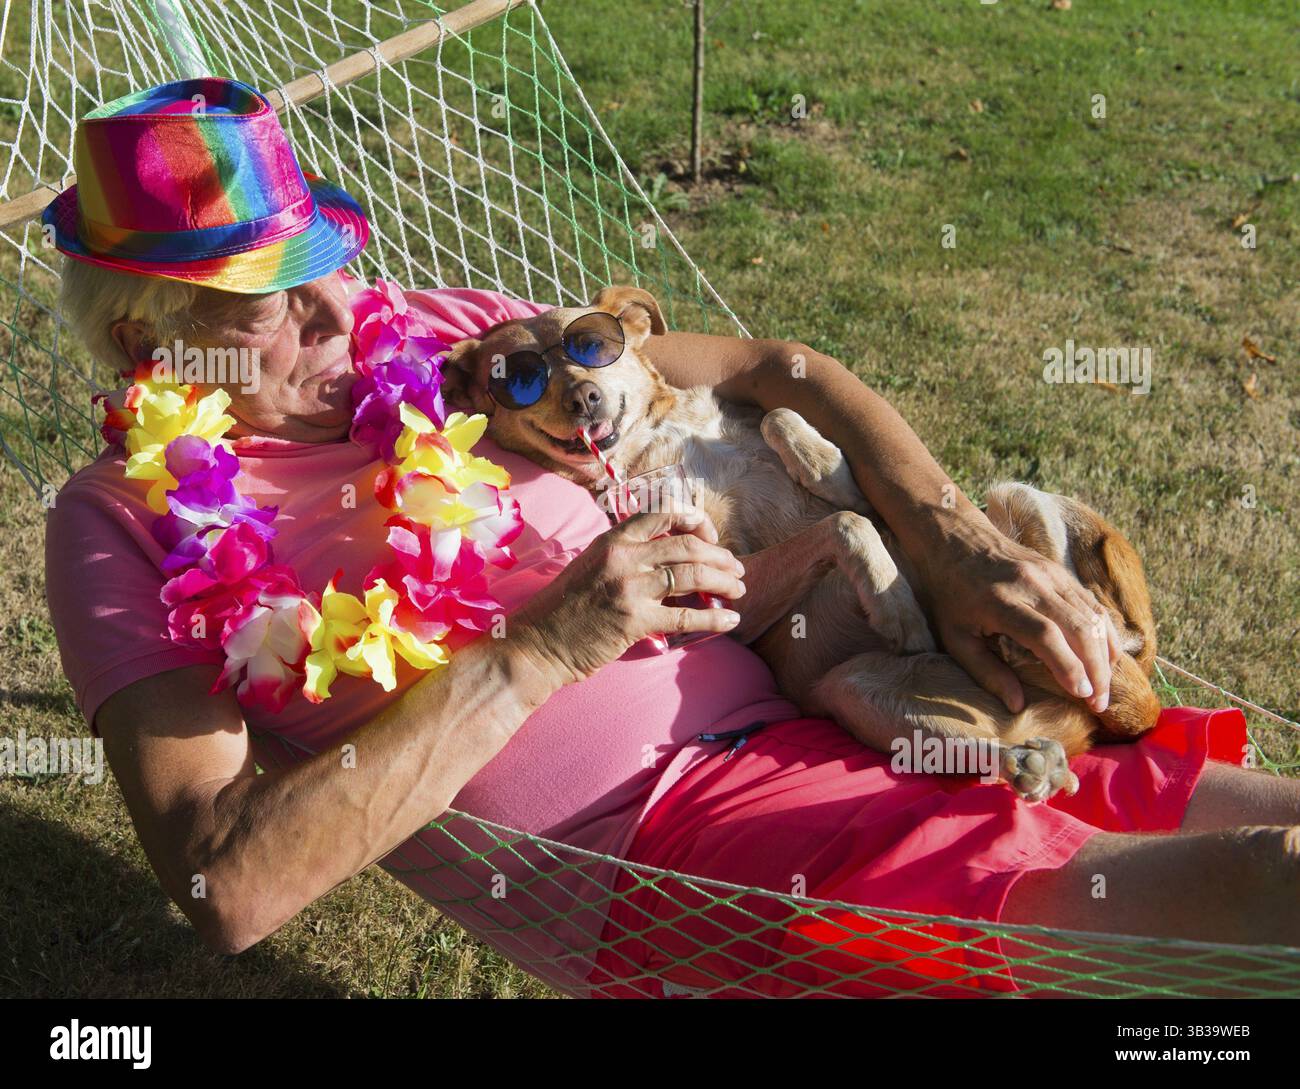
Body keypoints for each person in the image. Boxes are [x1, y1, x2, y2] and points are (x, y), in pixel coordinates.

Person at [41, 77, 1300, 997]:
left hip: (842, 684)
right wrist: (540, 650)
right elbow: (227, 889)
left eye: (330, 260)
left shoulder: (453, 344)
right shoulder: (123, 525)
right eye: (271, 298)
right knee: (1251, 898)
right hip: (686, 850)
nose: (339, 305)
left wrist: (949, 534)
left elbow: (774, 366)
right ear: (149, 339)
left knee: (1257, 823)